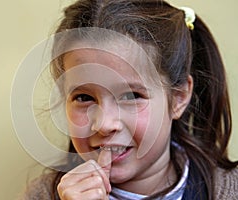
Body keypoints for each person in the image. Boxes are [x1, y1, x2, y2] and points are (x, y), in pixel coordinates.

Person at [21, 0, 238, 199]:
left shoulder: (229, 190)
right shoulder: (43, 195)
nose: (104, 124)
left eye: (132, 96)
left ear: (178, 98)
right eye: (84, 97)